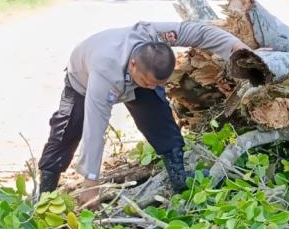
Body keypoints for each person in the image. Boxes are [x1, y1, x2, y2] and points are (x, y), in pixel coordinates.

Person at [38, 21, 248, 207]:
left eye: (157, 83)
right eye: (148, 82)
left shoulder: (152, 34)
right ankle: (45, 195)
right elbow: (94, 129)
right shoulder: (105, 73)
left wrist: (239, 49)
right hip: (83, 81)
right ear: (133, 64)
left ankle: (179, 178)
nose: (152, 86)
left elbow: (198, 32)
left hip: (135, 77)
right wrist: (91, 182)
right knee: (67, 131)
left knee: (159, 116)